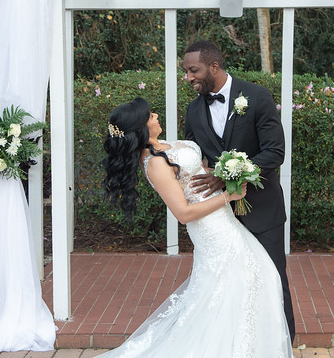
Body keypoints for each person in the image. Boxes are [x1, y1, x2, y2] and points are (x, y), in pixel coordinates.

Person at [98, 97, 293, 358]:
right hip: (210, 228)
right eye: (150, 115)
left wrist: (228, 172)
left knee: (252, 278)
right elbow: (183, 213)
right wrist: (227, 197)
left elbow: (198, 173)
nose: (155, 115)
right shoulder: (155, 164)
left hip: (224, 220)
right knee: (243, 279)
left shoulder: (165, 147)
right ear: (141, 128)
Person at [183, 40, 295, 340]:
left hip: (263, 211)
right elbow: (194, 156)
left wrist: (229, 176)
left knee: (272, 278)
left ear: (214, 67)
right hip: (219, 217)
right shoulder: (193, 110)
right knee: (231, 284)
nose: (189, 77)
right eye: (186, 72)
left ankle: (284, 343)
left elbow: (275, 152)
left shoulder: (257, 97)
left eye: (194, 70)